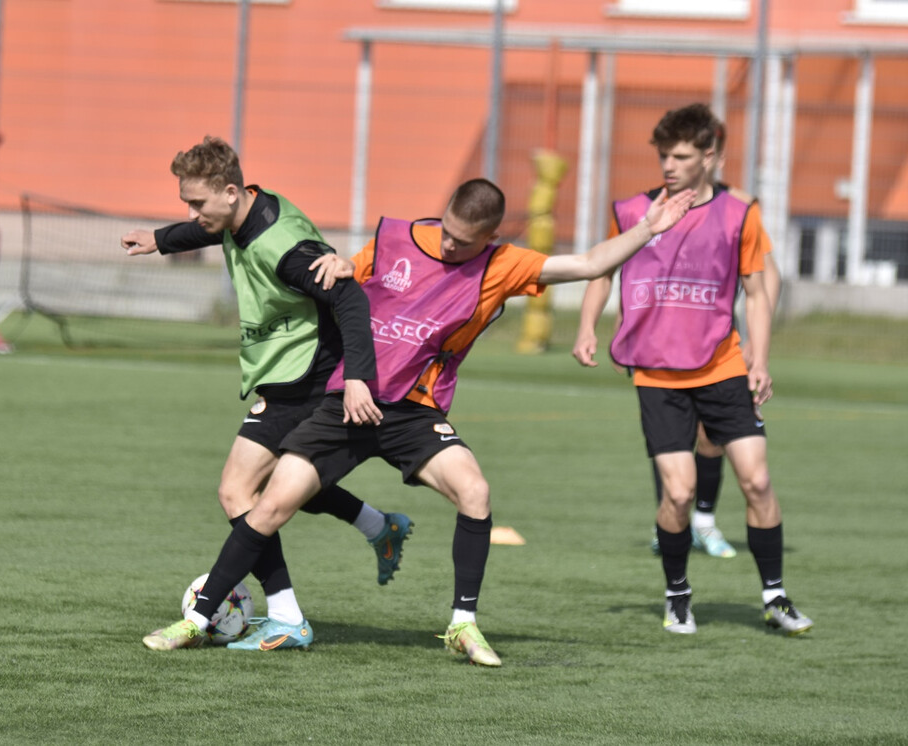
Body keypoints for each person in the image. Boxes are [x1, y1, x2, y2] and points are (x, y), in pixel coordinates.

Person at [141, 177, 695, 665]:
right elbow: (342, 277)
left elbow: (591, 263)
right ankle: (197, 619)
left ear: (490, 236)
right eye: (448, 231)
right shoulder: (397, 237)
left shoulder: (503, 265)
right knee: (269, 504)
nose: (450, 244)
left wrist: (649, 227)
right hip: (346, 401)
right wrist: (337, 263)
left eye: (463, 240)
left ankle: (462, 624)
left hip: (414, 412)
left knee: (475, 491)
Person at [121, 136, 412, 651]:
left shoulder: (287, 248)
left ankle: (266, 615)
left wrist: (357, 380)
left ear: (231, 191)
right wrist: (164, 239)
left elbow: (349, 299)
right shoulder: (243, 211)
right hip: (285, 372)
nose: (191, 211)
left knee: (240, 492)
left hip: (307, 381)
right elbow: (214, 229)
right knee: (285, 485)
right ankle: (377, 526)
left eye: (197, 203)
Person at [571, 103, 812, 636]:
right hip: (657, 375)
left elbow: (756, 292)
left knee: (758, 480)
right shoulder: (633, 210)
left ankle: (774, 597)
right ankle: (677, 594)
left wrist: (761, 360)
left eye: (680, 156)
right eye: (663, 156)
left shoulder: (738, 215)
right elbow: (602, 269)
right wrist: (587, 326)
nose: (669, 166)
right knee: (677, 495)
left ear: (709, 156)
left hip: (723, 366)